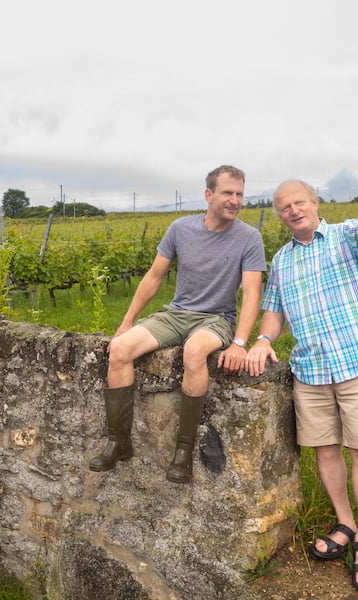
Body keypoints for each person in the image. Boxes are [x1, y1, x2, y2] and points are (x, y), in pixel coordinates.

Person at [245, 168, 358, 593]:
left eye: (299, 202)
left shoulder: (346, 236)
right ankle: (344, 523)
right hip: (309, 370)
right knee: (326, 452)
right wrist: (261, 338)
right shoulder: (282, 260)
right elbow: (273, 311)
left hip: (357, 361)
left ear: (315, 203)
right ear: (279, 216)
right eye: (283, 207)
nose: (293, 210)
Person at [88, 164, 266, 484]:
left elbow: (253, 293)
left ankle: (183, 450)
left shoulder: (249, 238)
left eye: (239, 194)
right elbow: (154, 277)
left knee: (195, 352)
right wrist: (127, 321)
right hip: (176, 314)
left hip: (215, 319)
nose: (235, 200)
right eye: (228, 193)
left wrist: (240, 342)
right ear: (209, 195)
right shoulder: (180, 229)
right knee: (119, 350)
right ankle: (119, 441)